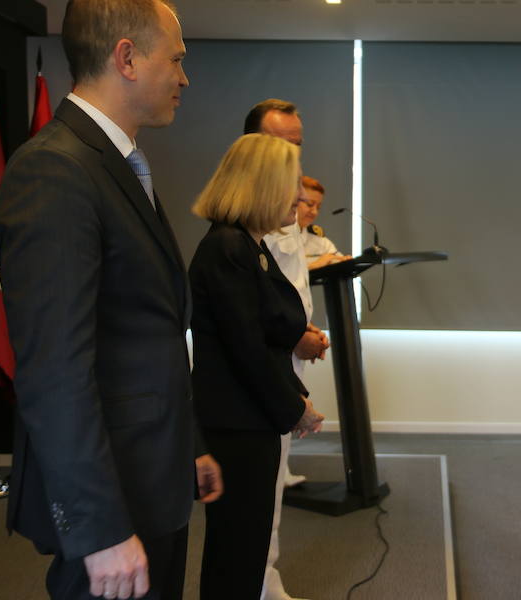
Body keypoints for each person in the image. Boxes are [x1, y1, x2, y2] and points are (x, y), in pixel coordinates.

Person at [0, 1, 222, 598]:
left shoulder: (115, 165)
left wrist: (188, 445)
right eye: (176, 59)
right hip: (112, 503)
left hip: (153, 476)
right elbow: (54, 370)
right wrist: (97, 530)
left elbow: (148, 334)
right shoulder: (55, 170)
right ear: (126, 58)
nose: (184, 76)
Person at [189, 133, 325, 600]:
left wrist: (294, 395)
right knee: (236, 554)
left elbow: (268, 335)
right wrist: (295, 408)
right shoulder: (228, 248)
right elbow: (246, 350)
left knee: (246, 551)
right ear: (263, 185)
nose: (303, 198)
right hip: (236, 425)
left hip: (251, 421)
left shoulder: (250, 246)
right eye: (293, 184)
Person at [244, 99, 328, 600]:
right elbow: (253, 300)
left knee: (272, 487)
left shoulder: (290, 197)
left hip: (287, 357)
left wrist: (307, 327)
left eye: (298, 143)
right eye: (282, 142)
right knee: (258, 492)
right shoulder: (251, 206)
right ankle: (259, 584)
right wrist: (294, 332)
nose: (292, 152)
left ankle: (267, 580)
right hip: (261, 363)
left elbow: (291, 283)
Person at [296, 176, 348, 270]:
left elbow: (337, 259)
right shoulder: (271, 235)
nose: (315, 212)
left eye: (318, 207)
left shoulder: (317, 239)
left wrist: (346, 262)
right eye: (310, 204)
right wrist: (314, 266)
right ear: (293, 201)